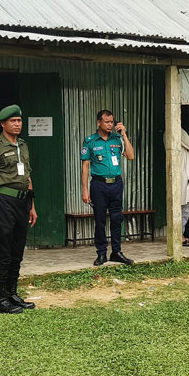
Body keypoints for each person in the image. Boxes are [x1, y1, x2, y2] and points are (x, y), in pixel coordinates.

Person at [0, 105, 38, 314]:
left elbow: (27, 177)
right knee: (3, 250)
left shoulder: (23, 145)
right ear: (3, 124)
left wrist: (32, 206)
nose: (17, 124)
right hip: (4, 201)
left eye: (19, 121)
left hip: (22, 202)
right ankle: (0, 299)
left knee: (17, 249)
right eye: (13, 121)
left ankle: (12, 293)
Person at [80, 109, 136, 266]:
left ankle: (116, 252)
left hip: (116, 184)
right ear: (99, 122)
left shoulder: (117, 139)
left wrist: (124, 134)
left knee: (117, 218)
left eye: (112, 122)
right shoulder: (90, 141)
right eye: (106, 122)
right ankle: (102, 253)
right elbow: (85, 166)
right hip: (99, 185)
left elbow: (131, 156)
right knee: (100, 220)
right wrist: (84, 189)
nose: (110, 124)